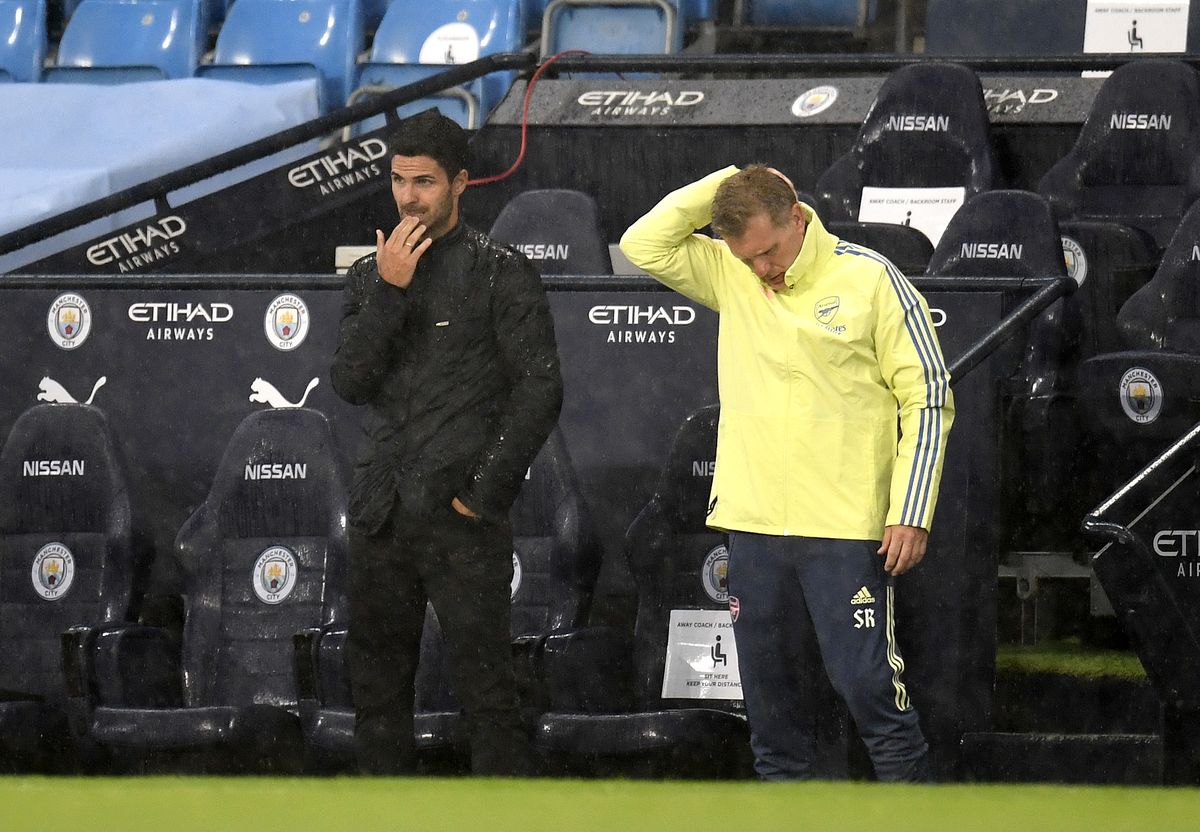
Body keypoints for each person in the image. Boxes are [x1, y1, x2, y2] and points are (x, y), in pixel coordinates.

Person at [620, 165, 954, 782]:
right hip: (753, 527)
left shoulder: (872, 279)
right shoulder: (732, 271)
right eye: (748, 259)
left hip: (846, 530)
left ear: (797, 216)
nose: (763, 271)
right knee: (771, 717)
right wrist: (730, 178)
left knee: (873, 696)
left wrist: (911, 509)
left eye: (770, 251)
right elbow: (644, 241)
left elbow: (929, 398)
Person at [330, 110, 563, 776]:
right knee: (375, 697)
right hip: (379, 517)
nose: (409, 197)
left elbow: (538, 393)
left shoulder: (502, 273)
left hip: (462, 520)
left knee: (489, 695)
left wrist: (480, 495)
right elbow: (349, 381)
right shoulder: (369, 278)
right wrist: (390, 291)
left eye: (424, 181)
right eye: (399, 180)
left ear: (459, 183)